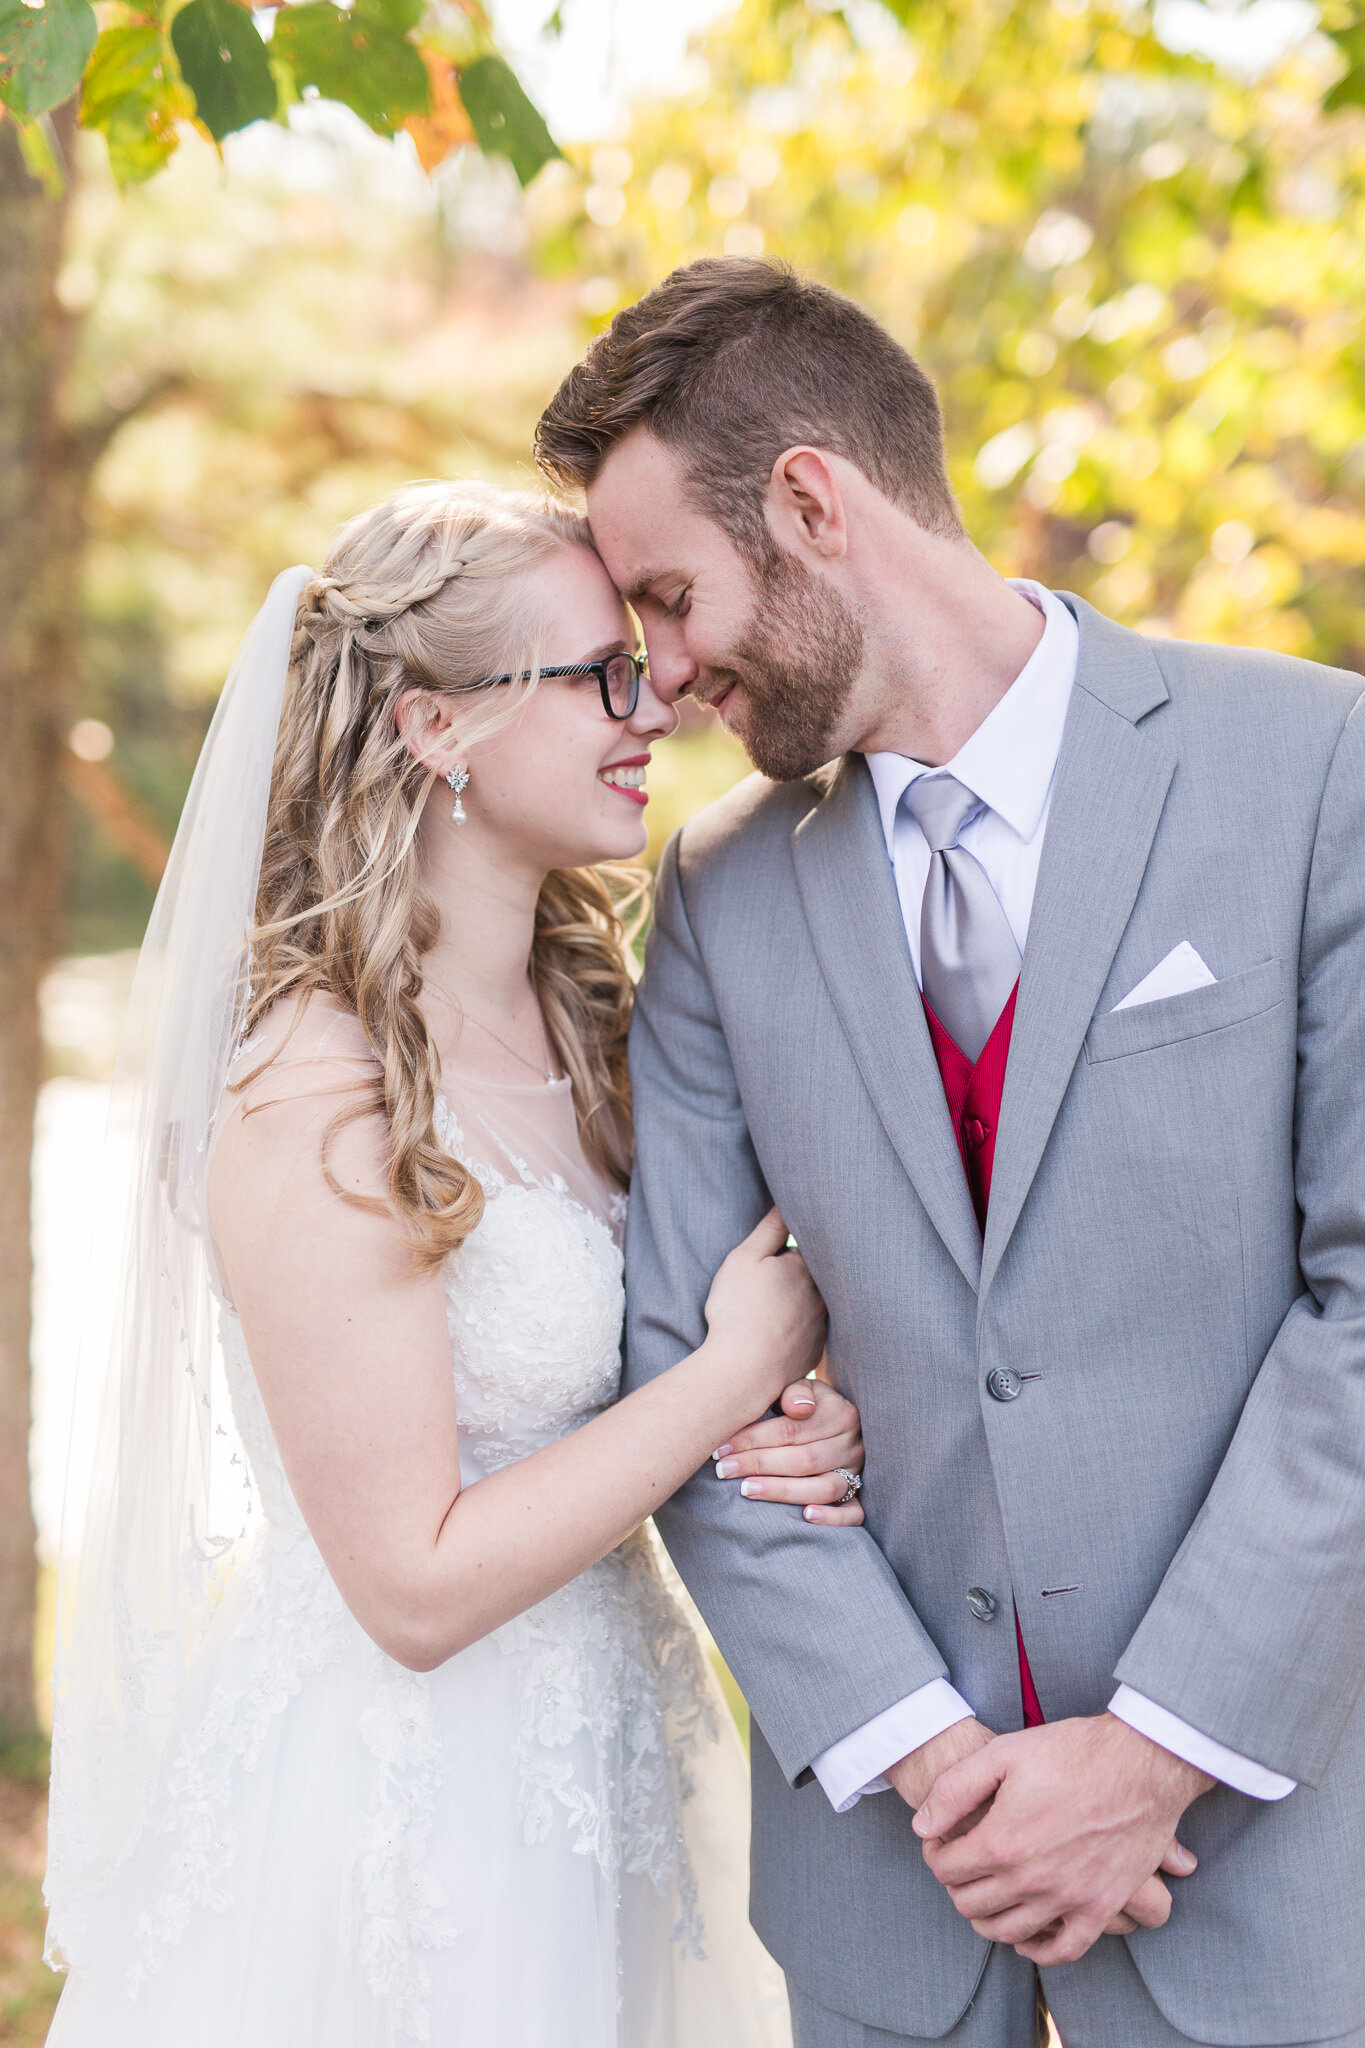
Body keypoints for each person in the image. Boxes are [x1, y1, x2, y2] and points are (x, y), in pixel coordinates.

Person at [535, 256, 1365, 2048]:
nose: (662, 680)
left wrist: (1150, 1759)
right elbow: (682, 1365)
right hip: (894, 1900)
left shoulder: (1312, 766)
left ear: (814, 504)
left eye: (671, 601)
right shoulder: (716, 891)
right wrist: (932, 1765)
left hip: (1268, 1854)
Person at [42, 480, 873, 2047]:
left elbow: (647, 1383)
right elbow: (409, 1586)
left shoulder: (600, 1021)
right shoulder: (311, 1087)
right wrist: (727, 1379)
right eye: (598, 678)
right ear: (435, 732)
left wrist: (786, 1420)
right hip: (408, 1812)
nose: (656, 706)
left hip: (610, 1774)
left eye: (647, 663)